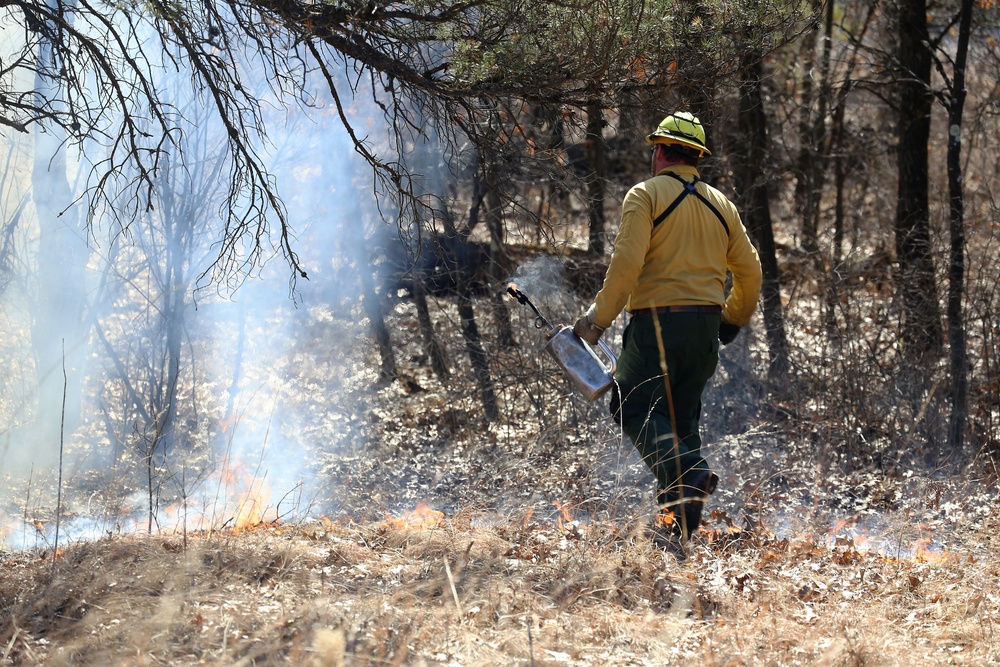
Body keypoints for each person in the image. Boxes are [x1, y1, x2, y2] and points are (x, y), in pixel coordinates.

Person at [573, 111, 762, 545]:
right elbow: (750, 273)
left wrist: (596, 321)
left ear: (658, 151)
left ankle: (687, 474)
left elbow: (626, 266)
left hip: (656, 326)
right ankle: (678, 534)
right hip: (705, 331)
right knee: (681, 427)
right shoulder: (722, 206)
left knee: (629, 405)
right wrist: (731, 320)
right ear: (696, 156)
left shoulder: (645, 196)